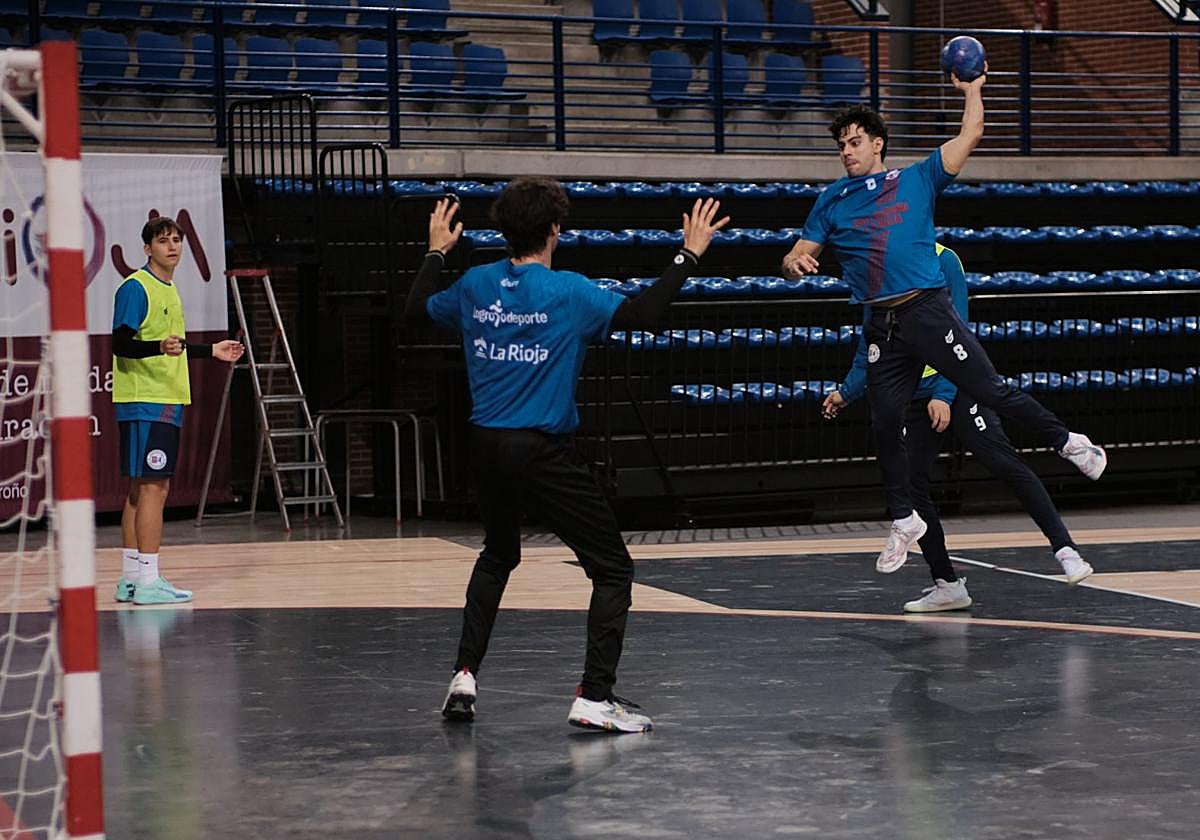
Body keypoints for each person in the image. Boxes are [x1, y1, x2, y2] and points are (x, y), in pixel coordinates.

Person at [405, 178, 729, 733]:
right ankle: (594, 696)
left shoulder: (476, 285)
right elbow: (643, 316)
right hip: (540, 451)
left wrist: (437, 251)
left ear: (504, 230)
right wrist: (688, 254)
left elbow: (413, 311)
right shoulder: (571, 294)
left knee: (498, 554)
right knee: (612, 569)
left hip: (484, 447)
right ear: (556, 229)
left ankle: (464, 674)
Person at [780, 69, 1107, 575]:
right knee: (885, 422)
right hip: (882, 327)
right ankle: (903, 519)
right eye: (841, 144)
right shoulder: (831, 202)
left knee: (992, 390)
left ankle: (1070, 443)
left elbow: (970, 135)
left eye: (855, 141)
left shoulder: (914, 177)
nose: (847, 151)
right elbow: (796, 254)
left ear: (878, 144)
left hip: (925, 311)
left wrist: (972, 91)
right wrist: (795, 265)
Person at [822, 244, 1094, 612]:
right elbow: (869, 343)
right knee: (911, 482)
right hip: (914, 396)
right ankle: (947, 583)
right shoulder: (877, 270)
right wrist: (846, 392)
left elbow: (958, 330)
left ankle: (1066, 550)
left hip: (957, 388)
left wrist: (944, 394)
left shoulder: (942, 259)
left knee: (1003, 463)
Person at [112, 217, 243, 605]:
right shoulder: (137, 287)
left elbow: (171, 345)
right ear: (147, 248)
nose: (172, 246)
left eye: (176, 240)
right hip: (147, 400)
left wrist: (210, 351)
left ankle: (132, 578)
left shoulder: (168, 289)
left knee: (140, 488)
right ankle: (148, 582)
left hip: (161, 398)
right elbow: (121, 343)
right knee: (155, 487)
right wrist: (157, 350)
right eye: (163, 240)